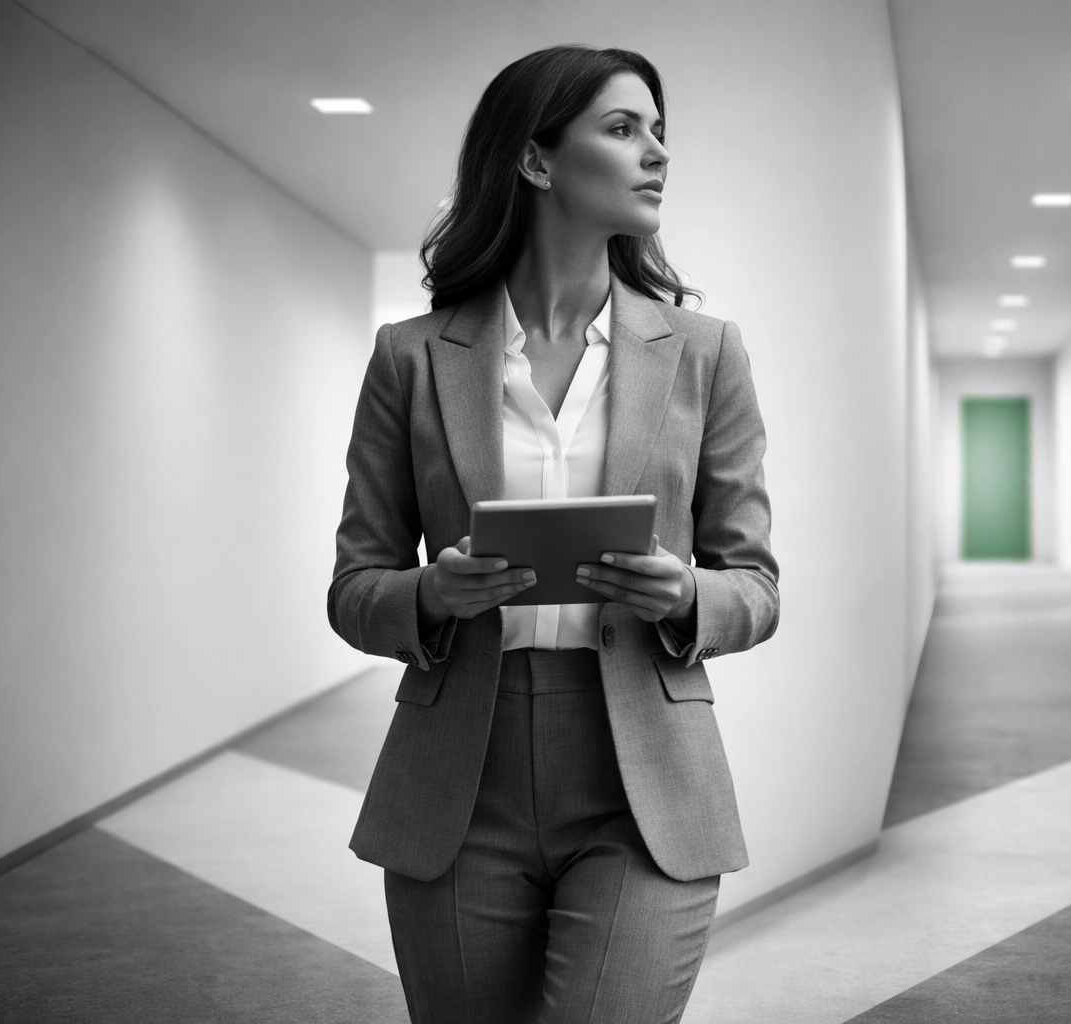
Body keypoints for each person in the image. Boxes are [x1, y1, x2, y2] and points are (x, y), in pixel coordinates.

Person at [328, 45, 779, 1023]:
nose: (656, 153)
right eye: (624, 129)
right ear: (536, 160)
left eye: (660, 133)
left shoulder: (705, 355)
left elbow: (756, 584)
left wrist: (686, 593)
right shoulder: (409, 358)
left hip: (644, 790)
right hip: (460, 787)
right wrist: (429, 595)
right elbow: (355, 585)